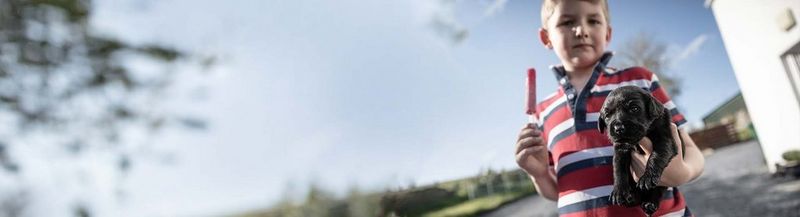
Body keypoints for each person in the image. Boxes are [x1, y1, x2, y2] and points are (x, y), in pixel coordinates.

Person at [514, 0, 706, 216]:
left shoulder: (640, 80)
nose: (581, 30)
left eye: (594, 20)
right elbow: (559, 191)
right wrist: (539, 175)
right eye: (567, 22)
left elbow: (689, 149)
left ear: (608, 33)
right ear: (546, 37)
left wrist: (683, 172)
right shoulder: (542, 113)